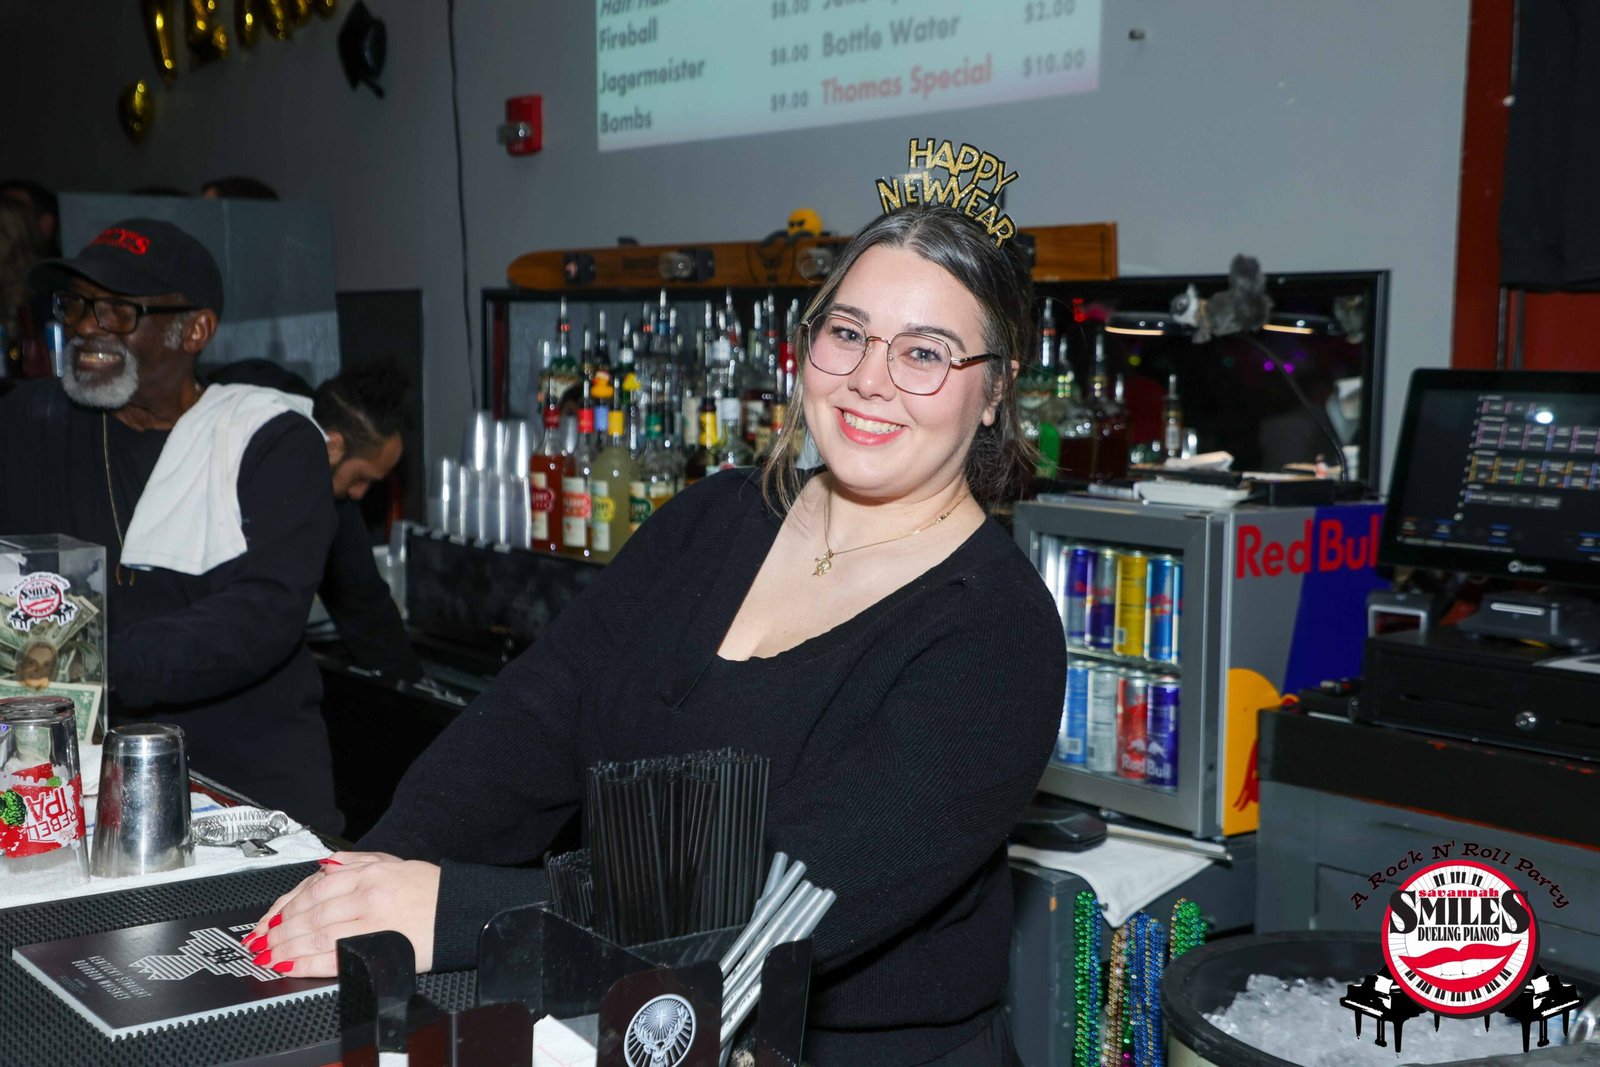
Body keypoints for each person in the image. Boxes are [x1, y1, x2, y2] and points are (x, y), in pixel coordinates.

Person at [250, 204, 1065, 1065]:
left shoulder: (997, 631)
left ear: (994, 390)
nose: (870, 378)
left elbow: (784, 909)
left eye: (925, 353)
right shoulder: (713, 517)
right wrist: (371, 879)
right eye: (848, 332)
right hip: (629, 1021)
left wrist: (454, 912)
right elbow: (533, 720)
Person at [0, 218, 341, 832]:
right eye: (76, 304)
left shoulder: (269, 439)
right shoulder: (32, 422)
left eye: (117, 310)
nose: (85, 327)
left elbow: (263, 614)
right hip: (69, 784)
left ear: (195, 329)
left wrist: (90, 666)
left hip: (248, 788)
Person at [207, 357, 424, 681]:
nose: (359, 494)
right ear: (333, 446)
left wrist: (414, 686)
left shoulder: (326, 449)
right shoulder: (244, 420)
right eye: (361, 478)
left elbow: (361, 598)